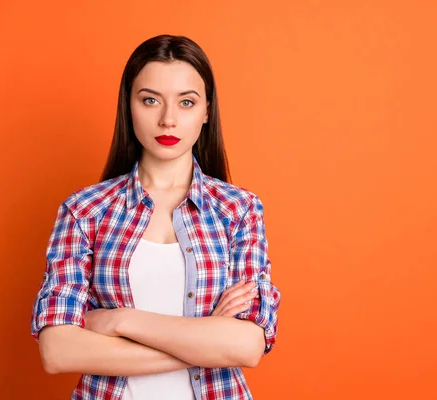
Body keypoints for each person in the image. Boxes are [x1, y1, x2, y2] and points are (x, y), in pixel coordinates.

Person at [30, 34, 281, 400]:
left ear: (207, 110)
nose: (168, 120)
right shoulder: (84, 210)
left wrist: (120, 321)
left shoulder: (238, 210)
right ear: (128, 106)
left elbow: (246, 347)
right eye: (150, 100)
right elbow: (57, 350)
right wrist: (205, 339)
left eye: (187, 102)